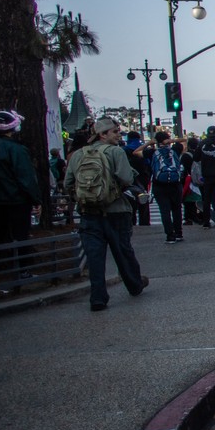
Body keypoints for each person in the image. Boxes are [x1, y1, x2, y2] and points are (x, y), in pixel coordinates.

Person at [64, 117, 148, 311]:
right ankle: (134, 284)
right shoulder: (115, 152)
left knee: (94, 256)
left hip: (88, 213)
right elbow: (127, 178)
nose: (119, 135)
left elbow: (68, 183)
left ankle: (98, 297)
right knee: (123, 251)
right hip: (116, 210)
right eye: (115, 132)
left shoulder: (78, 155)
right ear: (102, 134)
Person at [0, 110, 40, 281]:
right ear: (13, 127)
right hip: (17, 200)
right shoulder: (17, 150)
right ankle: (24, 270)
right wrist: (35, 199)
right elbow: (25, 177)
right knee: (21, 235)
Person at [146, 131, 186, 243]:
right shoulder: (175, 150)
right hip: (175, 184)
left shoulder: (152, 152)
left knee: (165, 211)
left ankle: (170, 236)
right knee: (177, 209)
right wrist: (171, 141)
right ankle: (179, 233)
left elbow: (136, 152)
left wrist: (149, 143)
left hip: (159, 185)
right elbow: (184, 140)